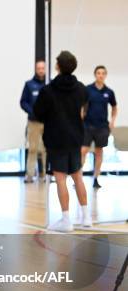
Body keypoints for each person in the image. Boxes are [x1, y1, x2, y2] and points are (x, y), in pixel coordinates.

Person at [34, 51, 91, 232]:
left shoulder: (48, 90)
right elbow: (84, 108)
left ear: (58, 66)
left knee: (60, 180)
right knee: (78, 176)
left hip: (56, 139)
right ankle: (86, 216)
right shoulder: (82, 88)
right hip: (75, 138)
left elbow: (38, 113)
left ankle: (66, 220)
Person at [81, 65, 118, 189]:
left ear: (105, 75)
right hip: (87, 125)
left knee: (99, 152)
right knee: (83, 151)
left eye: (103, 73)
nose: (100, 75)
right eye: (98, 73)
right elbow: (82, 105)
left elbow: (114, 107)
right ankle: (78, 178)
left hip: (102, 127)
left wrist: (112, 121)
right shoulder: (88, 89)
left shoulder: (109, 92)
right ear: (95, 75)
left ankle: (96, 178)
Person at [20, 60, 46, 183]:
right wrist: (32, 112)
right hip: (33, 122)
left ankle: (43, 174)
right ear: (36, 69)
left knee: (45, 149)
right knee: (33, 149)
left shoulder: (49, 85)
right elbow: (23, 102)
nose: (41, 70)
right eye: (39, 68)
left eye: (43, 68)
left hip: (48, 123)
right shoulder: (29, 85)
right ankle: (30, 174)